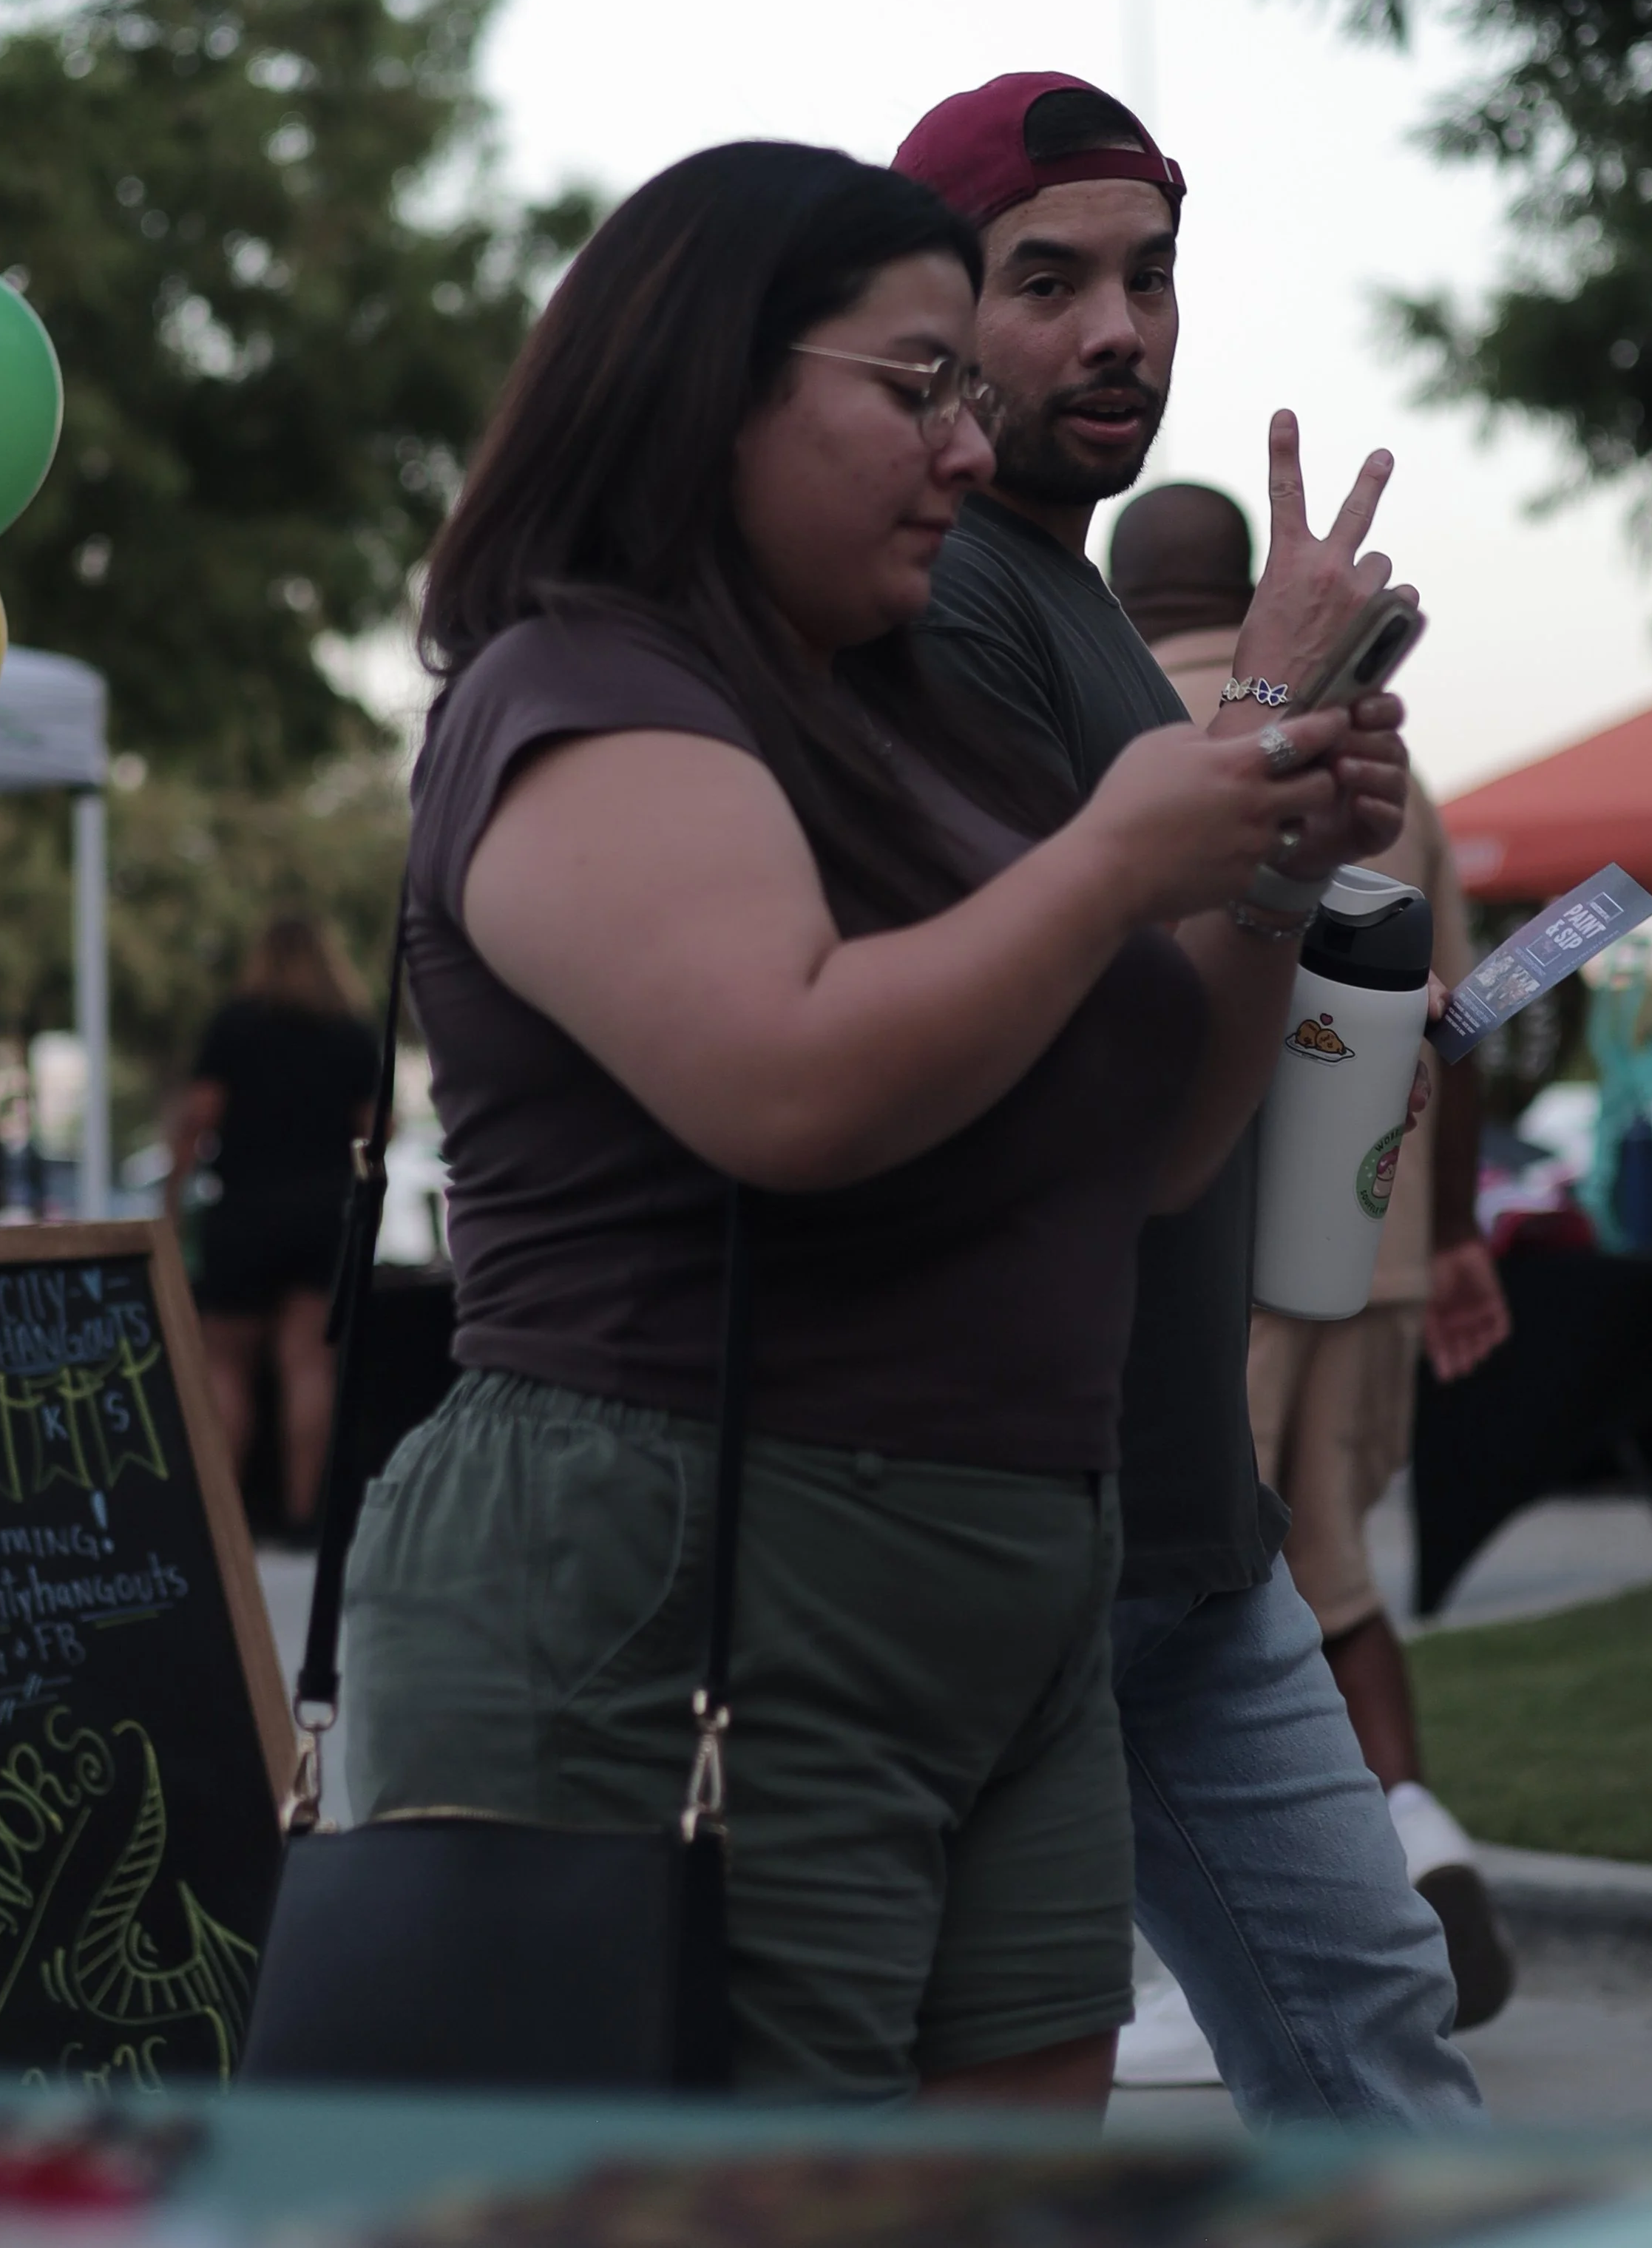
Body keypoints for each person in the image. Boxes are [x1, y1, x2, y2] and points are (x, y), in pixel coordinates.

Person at [337, 139, 1400, 2108]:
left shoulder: (919, 716)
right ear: (708, 381)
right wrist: (1109, 858)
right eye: (916, 387)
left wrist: (1255, 875)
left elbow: (1155, 1149)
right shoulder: (581, 686)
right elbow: (789, 1078)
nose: (968, 450)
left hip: (1007, 1595)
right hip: (689, 1576)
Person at [895, 72, 1483, 2125]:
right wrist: (1260, 732)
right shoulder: (936, 601)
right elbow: (1061, 1065)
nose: (1115, 331)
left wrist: (1296, 819)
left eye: (1145, 278)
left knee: (1376, 2036)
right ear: (929, 313)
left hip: (1177, 1521)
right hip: (1007, 1530)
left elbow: (1201, 1098)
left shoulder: (1057, 601)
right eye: (1043, 280)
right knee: (991, 2119)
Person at [1113, 479, 1517, 2028]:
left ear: (1122, 585)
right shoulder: (1372, 746)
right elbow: (1460, 1012)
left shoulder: (1125, 721)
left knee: (1195, 1577)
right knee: (1324, 1558)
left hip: (1216, 1228)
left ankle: (1188, 1965)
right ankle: (1409, 1836)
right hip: (1377, 1215)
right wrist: (1460, 1230)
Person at [169, 915, 379, 1532]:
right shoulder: (351, 1033)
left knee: (225, 1363)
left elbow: (198, 1119)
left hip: (245, 1210)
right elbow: (377, 1129)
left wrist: (171, 1201)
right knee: (308, 1364)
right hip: (324, 1212)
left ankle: (222, 1515)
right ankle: (300, 1515)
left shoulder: (235, 1026)